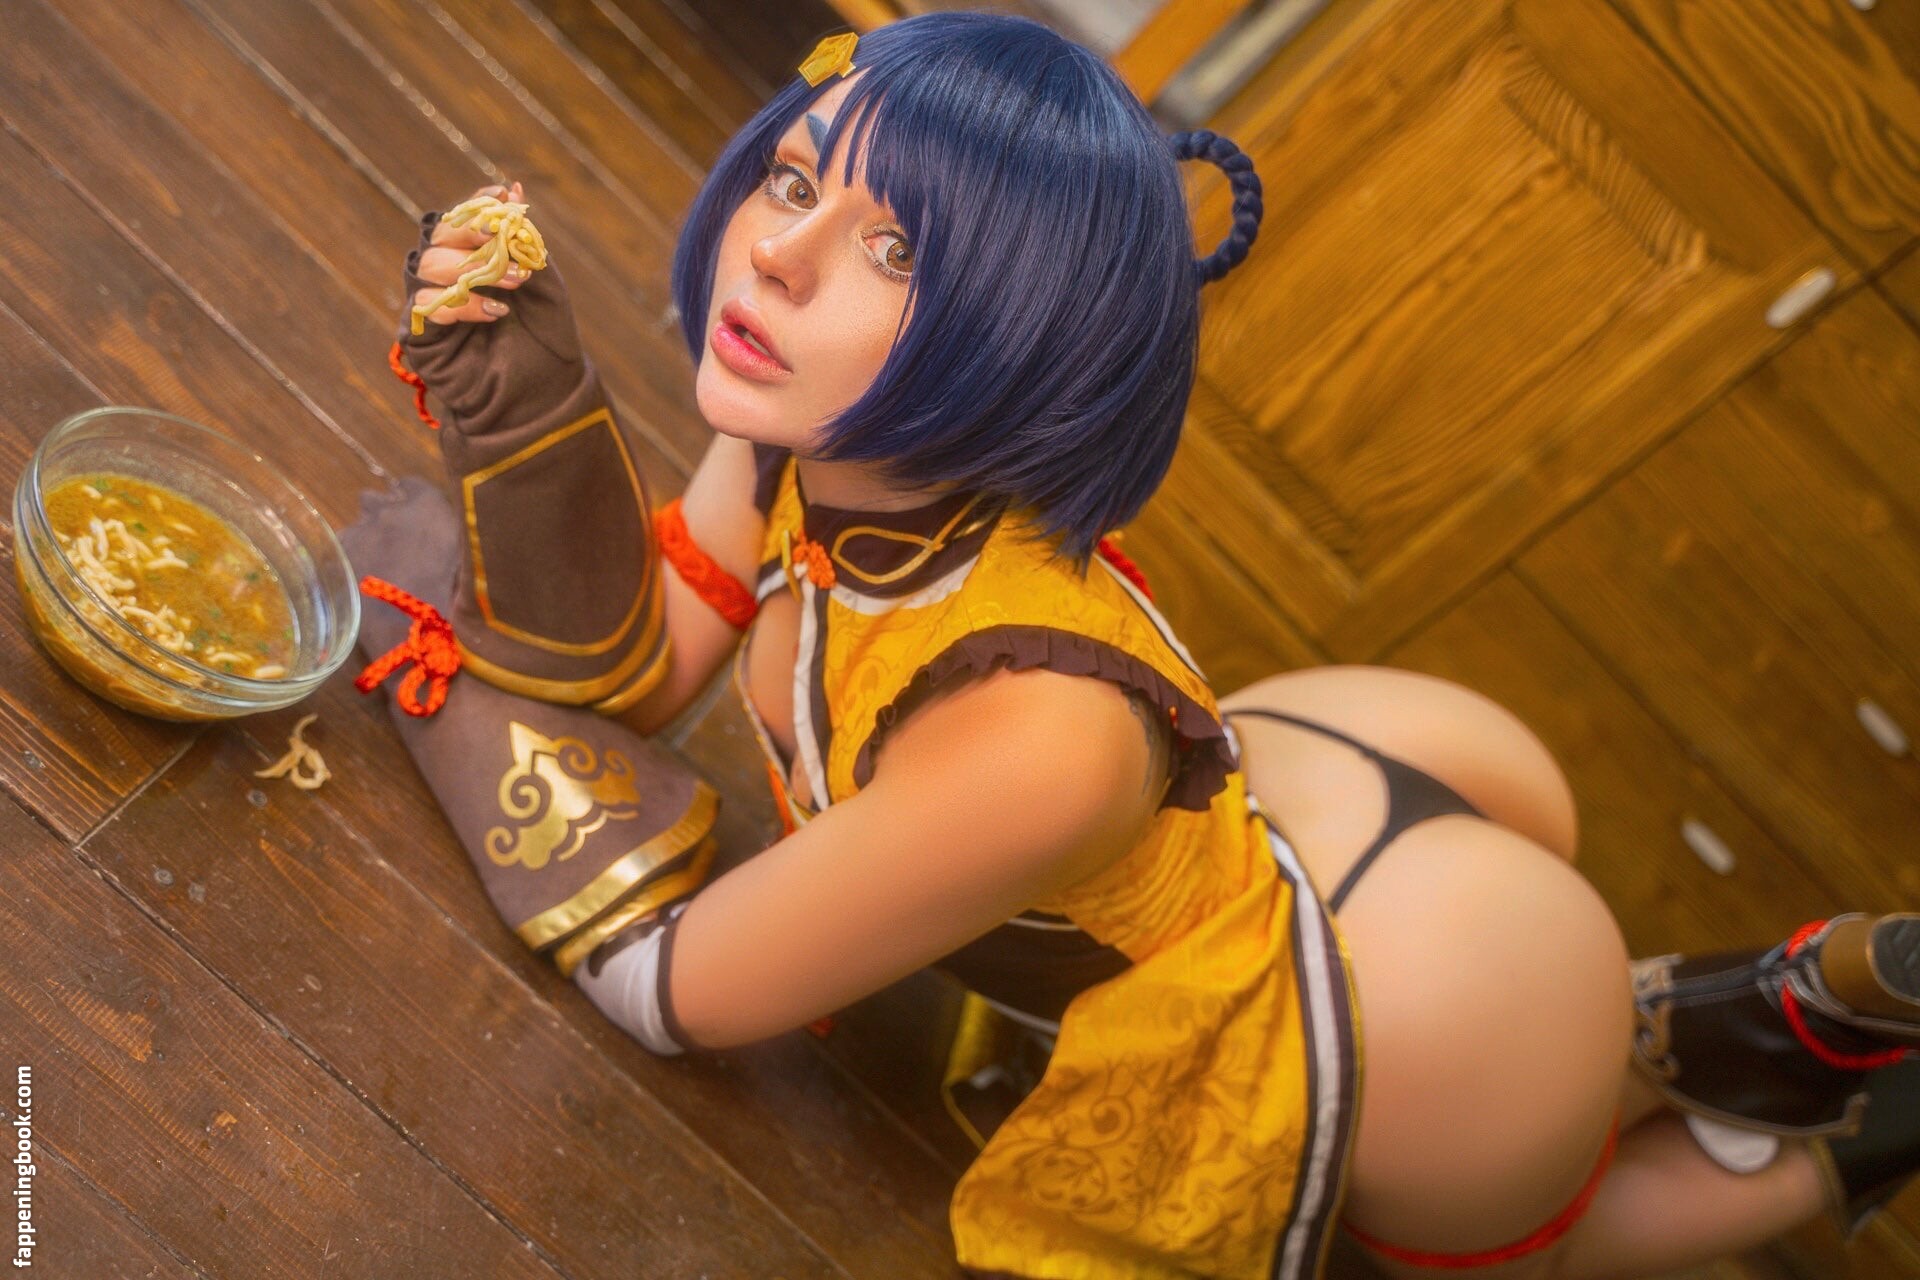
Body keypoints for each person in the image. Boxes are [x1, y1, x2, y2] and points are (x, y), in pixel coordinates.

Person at [344, 13, 1920, 1278]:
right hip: (1320, 791)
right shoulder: (807, 439)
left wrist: (422, 663)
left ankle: (1851, 1120)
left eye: (898, 252)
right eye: (798, 179)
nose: (777, 252)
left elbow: (669, 985)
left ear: (1026, 338)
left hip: (1422, 998)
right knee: (1587, 1082)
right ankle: (1736, 1015)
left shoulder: (1033, 733)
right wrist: (525, 420)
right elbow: (649, 668)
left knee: (1532, 1249)